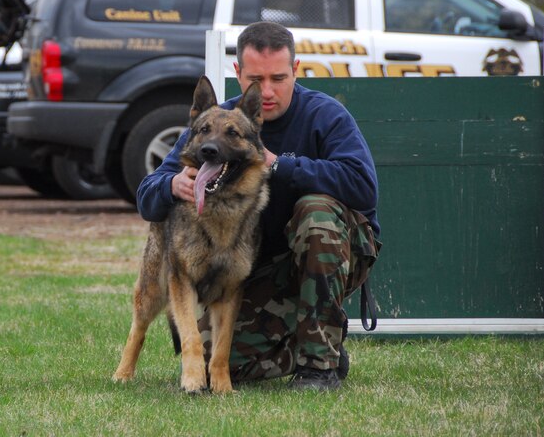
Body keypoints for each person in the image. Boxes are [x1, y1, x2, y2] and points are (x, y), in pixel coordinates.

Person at [136, 21, 381, 391]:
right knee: (212, 362)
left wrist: (280, 165)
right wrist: (172, 184)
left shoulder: (325, 116)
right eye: (256, 78)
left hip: (330, 254)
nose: (267, 91)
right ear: (238, 73)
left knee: (316, 213)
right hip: (262, 269)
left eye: (278, 78)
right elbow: (147, 196)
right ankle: (304, 341)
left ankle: (320, 363)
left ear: (296, 70)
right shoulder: (220, 123)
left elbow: (363, 187)